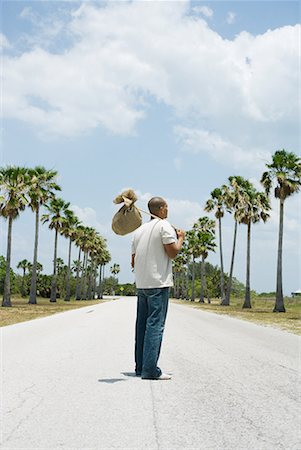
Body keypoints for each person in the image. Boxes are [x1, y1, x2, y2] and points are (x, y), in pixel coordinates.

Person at [131, 197, 185, 380]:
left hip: (142, 284)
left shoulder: (138, 231)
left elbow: (133, 261)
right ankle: (150, 370)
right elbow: (173, 252)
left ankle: (140, 367)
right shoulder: (164, 226)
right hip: (158, 284)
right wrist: (181, 238)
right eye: (167, 207)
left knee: (142, 326)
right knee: (155, 326)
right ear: (161, 209)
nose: (168, 210)